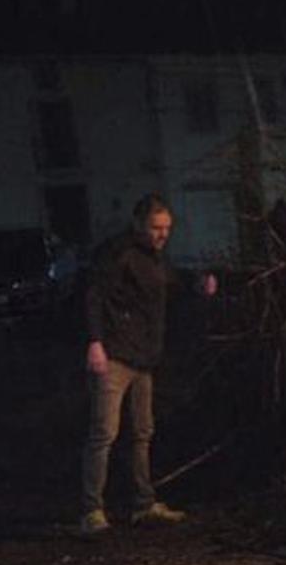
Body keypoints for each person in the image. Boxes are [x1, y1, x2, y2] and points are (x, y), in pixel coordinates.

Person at [80, 194, 217, 534]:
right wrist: (95, 342)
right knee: (104, 434)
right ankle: (91, 510)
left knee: (142, 432)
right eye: (157, 228)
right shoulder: (118, 254)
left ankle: (143, 503)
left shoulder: (155, 259)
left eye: (167, 228)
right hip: (116, 356)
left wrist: (199, 283)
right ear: (140, 224)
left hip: (144, 357)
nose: (163, 234)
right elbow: (94, 296)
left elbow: (172, 281)